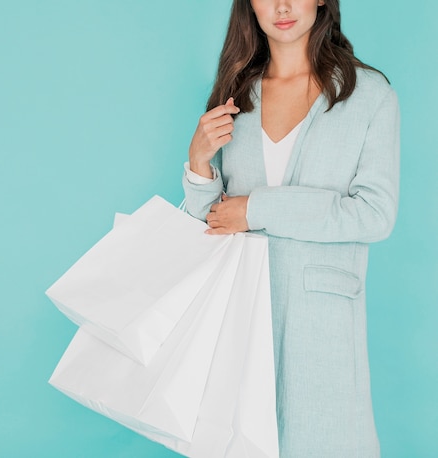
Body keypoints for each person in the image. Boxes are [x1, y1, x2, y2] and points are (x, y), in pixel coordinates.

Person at [182, 0, 399, 456]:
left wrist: (259, 209)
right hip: (241, 313)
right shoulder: (235, 95)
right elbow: (209, 226)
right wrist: (199, 163)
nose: (282, 6)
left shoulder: (368, 93)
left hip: (321, 322)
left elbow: (374, 213)